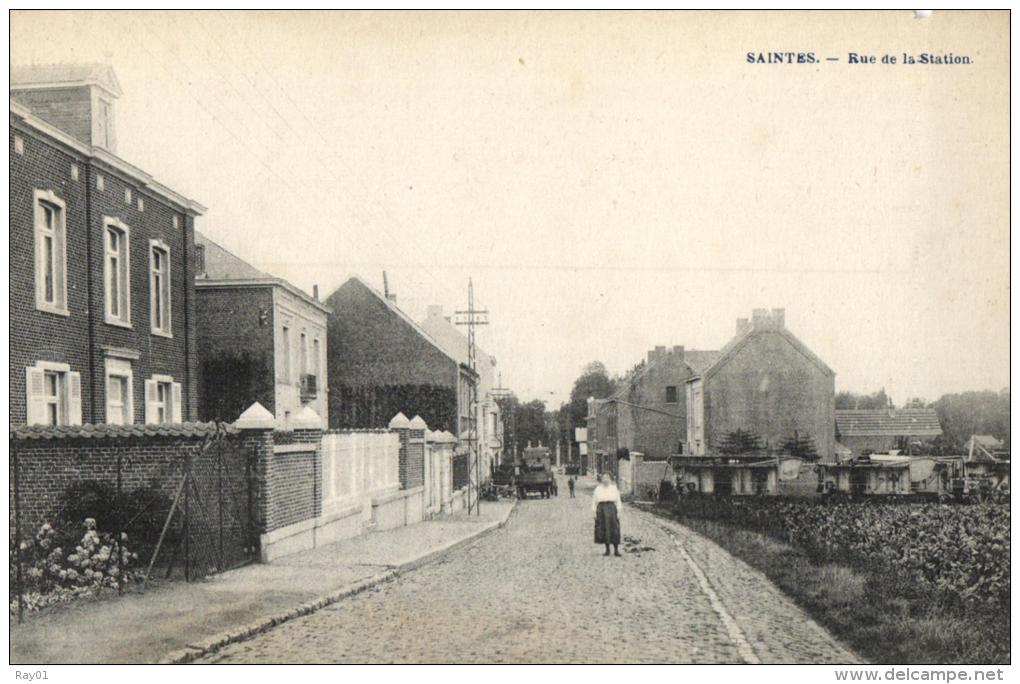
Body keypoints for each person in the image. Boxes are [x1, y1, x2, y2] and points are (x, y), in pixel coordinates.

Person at [592, 473, 622, 557]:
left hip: (612, 509)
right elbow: (594, 501)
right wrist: (594, 512)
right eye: (604, 477)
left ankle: (616, 550)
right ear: (601, 479)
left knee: (614, 529)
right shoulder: (598, 489)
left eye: (607, 477)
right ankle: (607, 550)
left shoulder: (614, 488)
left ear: (610, 479)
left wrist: (619, 511)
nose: (605, 479)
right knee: (604, 529)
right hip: (601, 509)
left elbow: (618, 501)